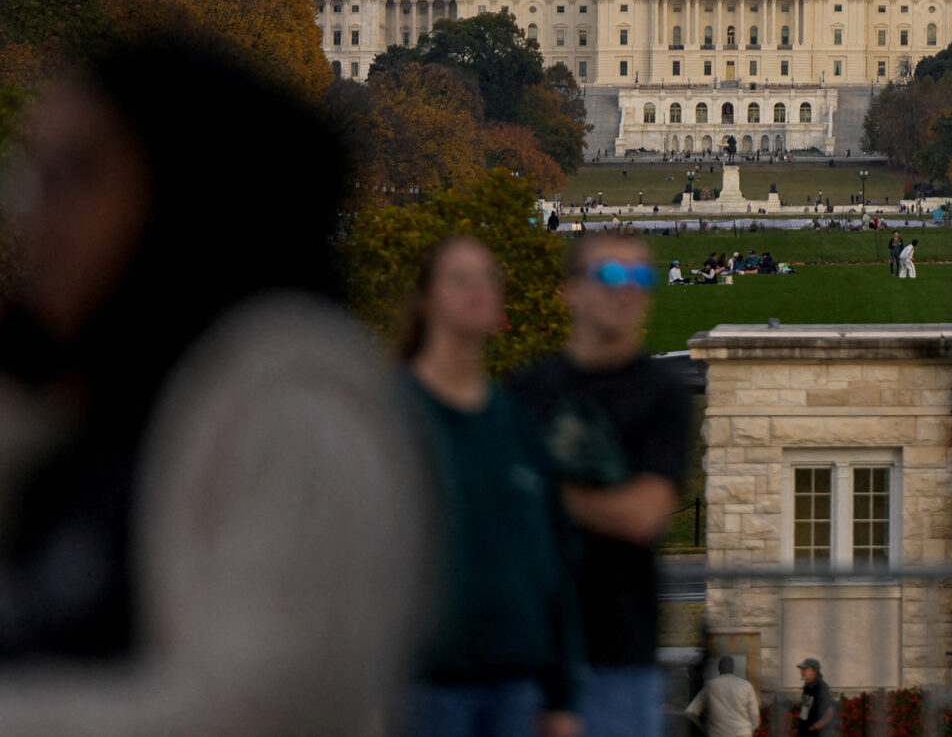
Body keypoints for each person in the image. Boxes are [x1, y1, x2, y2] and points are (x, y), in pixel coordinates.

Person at [0, 36, 431, 735]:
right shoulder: (86, 411)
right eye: (31, 173)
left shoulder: (299, 407)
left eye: (72, 173)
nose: (33, 216)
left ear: (180, 184)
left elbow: (260, 713)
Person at [514, 234, 696, 737]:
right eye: (611, 275)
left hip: (619, 652)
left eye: (640, 277)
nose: (627, 289)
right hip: (524, 651)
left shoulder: (665, 395)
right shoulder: (526, 390)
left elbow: (642, 516)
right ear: (570, 291)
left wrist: (536, 488)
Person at [403, 235, 582, 737]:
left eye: (488, 277)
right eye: (460, 279)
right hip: (424, 688)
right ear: (424, 301)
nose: (478, 290)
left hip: (515, 686)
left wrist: (561, 694)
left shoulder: (516, 422)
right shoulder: (390, 417)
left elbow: (551, 564)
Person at [683, 656, 759, 737]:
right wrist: (751, 728)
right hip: (742, 732)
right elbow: (754, 713)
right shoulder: (746, 685)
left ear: (719, 668)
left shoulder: (710, 686)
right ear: (733, 668)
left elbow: (690, 712)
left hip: (717, 733)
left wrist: (704, 728)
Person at [794, 658, 836, 737]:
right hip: (805, 730)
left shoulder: (821, 688)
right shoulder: (807, 686)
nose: (802, 672)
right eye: (802, 669)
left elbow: (829, 712)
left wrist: (815, 727)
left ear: (814, 671)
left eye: (805, 669)